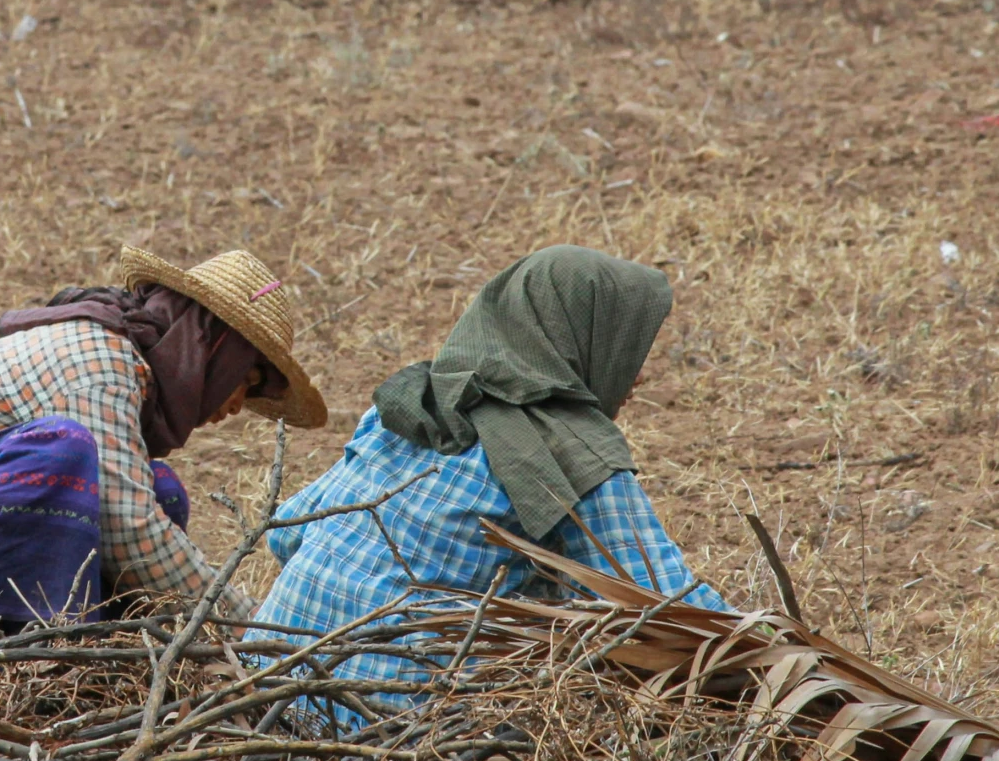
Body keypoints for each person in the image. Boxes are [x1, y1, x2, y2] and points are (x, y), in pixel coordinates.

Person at [0, 247, 327, 661]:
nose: (238, 405)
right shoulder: (97, 360)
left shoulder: (127, 367)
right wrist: (247, 628)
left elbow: (136, 515)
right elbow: (130, 528)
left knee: (159, 488)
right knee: (64, 454)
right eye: (246, 379)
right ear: (212, 348)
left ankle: (68, 668)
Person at [252, 245, 727, 694]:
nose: (638, 374)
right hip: (397, 734)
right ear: (581, 339)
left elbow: (288, 533)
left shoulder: (410, 406)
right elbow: (673, 614)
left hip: (262, 688)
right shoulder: (569, 452)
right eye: (626, 349)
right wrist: (782, 652)